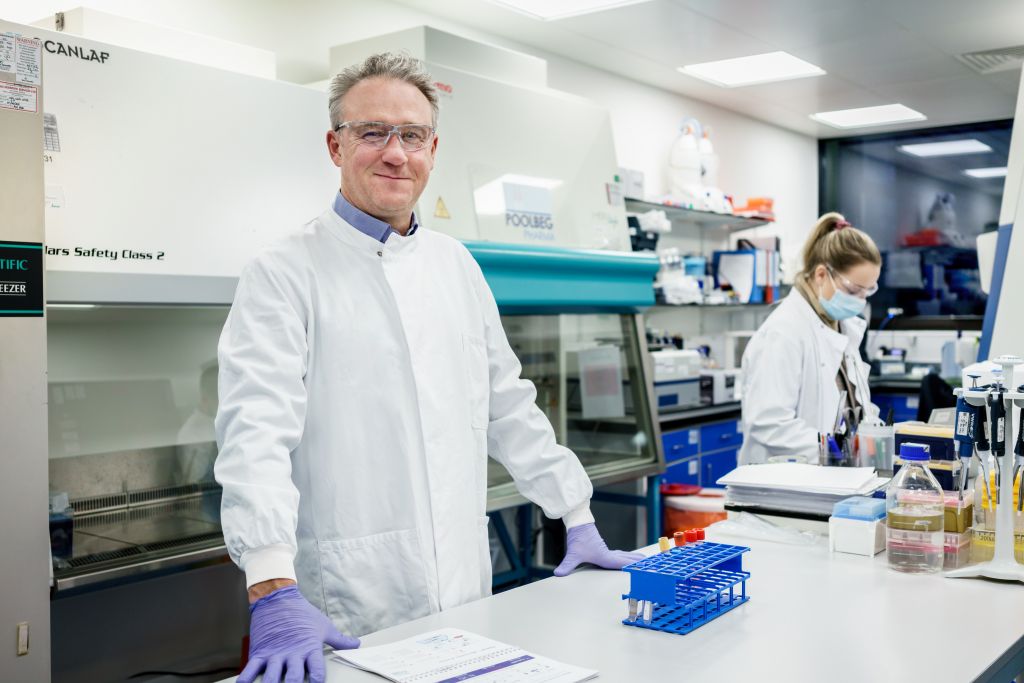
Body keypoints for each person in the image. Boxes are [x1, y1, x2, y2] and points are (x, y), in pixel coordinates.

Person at [215, 52, 641, 683]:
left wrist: (573, 512)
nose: (396, 153)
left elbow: (509, 405)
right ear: (336, 146)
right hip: (351, 603)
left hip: (468, 597)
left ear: (432, 149)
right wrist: (271, 584)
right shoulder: (284, 273)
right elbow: (255, 434)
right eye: (373, 133)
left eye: (411, 136)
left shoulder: (457, 266)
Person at [738, 212, 882, 465]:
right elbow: (768, 422)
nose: (860, 301)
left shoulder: (840, 327)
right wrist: (837, 449)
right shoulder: (784, 332)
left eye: (868, 291)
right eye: (853, 290)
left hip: (830, 480)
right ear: (821, 275)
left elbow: (852, 407)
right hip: (785, 489)